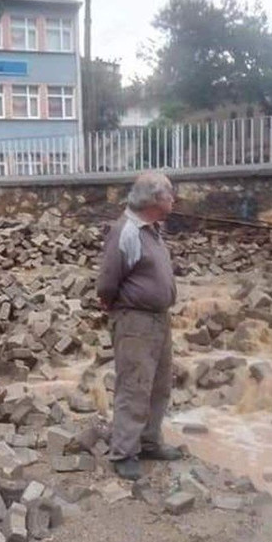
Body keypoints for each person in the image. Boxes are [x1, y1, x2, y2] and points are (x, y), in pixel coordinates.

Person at [96, 171, 182, 481]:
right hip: (135, 321)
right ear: (154, 199)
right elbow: (107, 282)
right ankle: (123, 452)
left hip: (158, 318)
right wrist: (116, 307)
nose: (174, 199)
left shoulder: (152, 229)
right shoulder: (127, 231)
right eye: (169, 194)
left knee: (158, 385)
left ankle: (148, 442)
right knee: (133, 386)